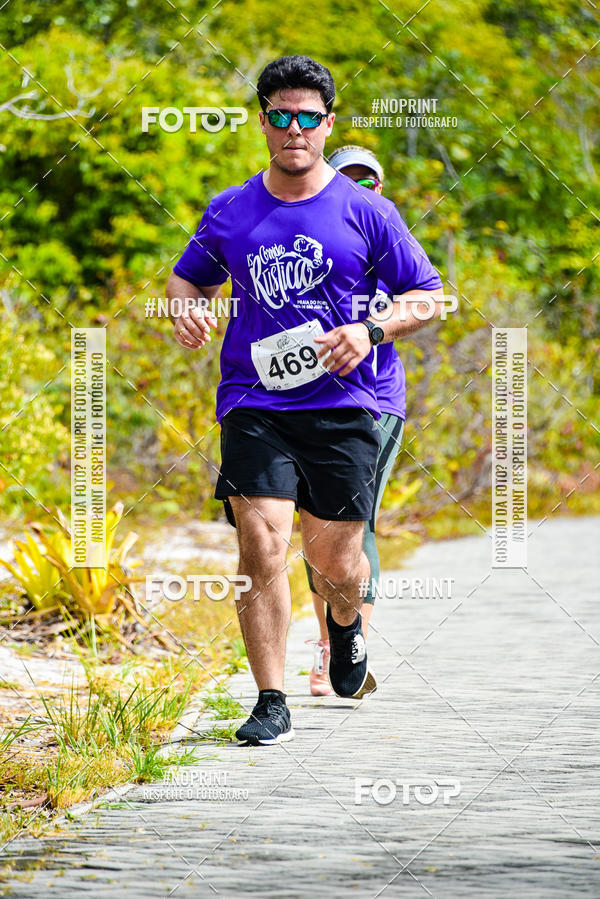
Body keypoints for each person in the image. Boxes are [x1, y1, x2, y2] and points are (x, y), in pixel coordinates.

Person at [166, 55, 445, 746]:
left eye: (309, 118)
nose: (295, 129)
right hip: (255, 401)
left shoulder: (367, 210)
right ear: (263, 122)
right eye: (282, 116)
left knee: (335, 561)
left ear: (327, 124)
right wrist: (187, 311)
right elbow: (186, 280)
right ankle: (270, 696)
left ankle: (346, 631)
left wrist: (370, 328)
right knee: (261, 547)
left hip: (347, 402)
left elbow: (428, 296)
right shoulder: (231, 208)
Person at [305, 146, 406, 697]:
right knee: (311, 529)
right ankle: (330, 640)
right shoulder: (301, 234)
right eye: (348, 180)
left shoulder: (385, 235)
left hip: (372, 401)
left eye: (371, 181)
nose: (361, 189)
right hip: (298, 404)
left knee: (352, 523)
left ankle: (347, 649)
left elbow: (423, 298)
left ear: (381, 188)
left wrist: (369, 326)